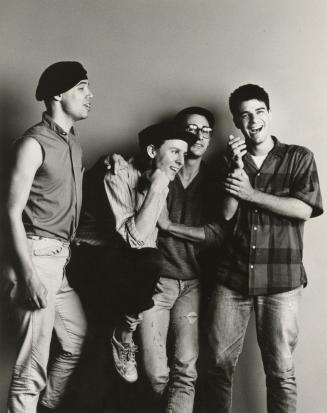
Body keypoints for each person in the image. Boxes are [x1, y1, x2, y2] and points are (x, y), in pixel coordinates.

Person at [206, 84, 323, 413]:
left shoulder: (298, 157)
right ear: (236, 122)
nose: (253, 121)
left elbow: (305, 208)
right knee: (217, 364)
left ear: (268, 114)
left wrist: (252, 194)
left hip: (281, 280)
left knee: (281, 370)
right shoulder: (229, 161)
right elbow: (226, 215)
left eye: (258, 112)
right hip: (233, 277)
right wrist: (236, 165)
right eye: (244, 116)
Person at [107, 107, 224, 413]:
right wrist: (118, 165)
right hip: (158, 284)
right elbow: (134, 233)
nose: (198, 135)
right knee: (156, 372)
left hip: (193, 285)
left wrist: (171, 226)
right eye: (191, 129)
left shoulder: (214, 179)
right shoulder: (154, 172)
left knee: (187, 369)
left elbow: (219, 232)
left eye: (205, 130)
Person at [3, 61, 93, 413]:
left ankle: (45, 408)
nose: (90, 95)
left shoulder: (73, 144)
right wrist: (27, 276)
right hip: (35, 258)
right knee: (30, 369)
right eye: (82, 87)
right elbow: (10, 211)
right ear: (58, 93)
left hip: (60, 260)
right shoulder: (32, 143)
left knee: (75, 339)